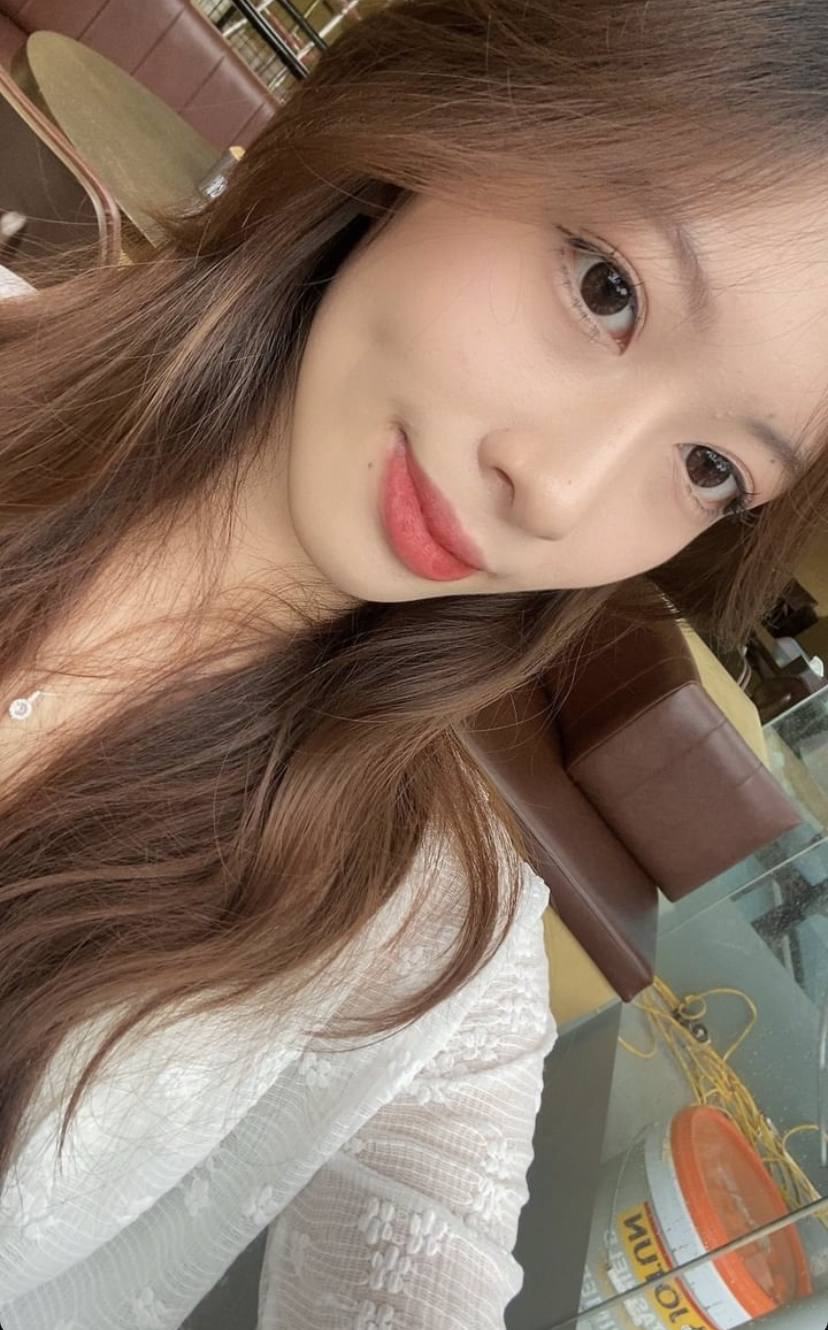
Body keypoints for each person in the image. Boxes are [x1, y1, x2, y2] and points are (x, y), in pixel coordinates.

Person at [0, 0, 827, 1325]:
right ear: (446, 107)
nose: (558, 491)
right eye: (607, 288)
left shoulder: (425, 951)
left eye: (709, 467)